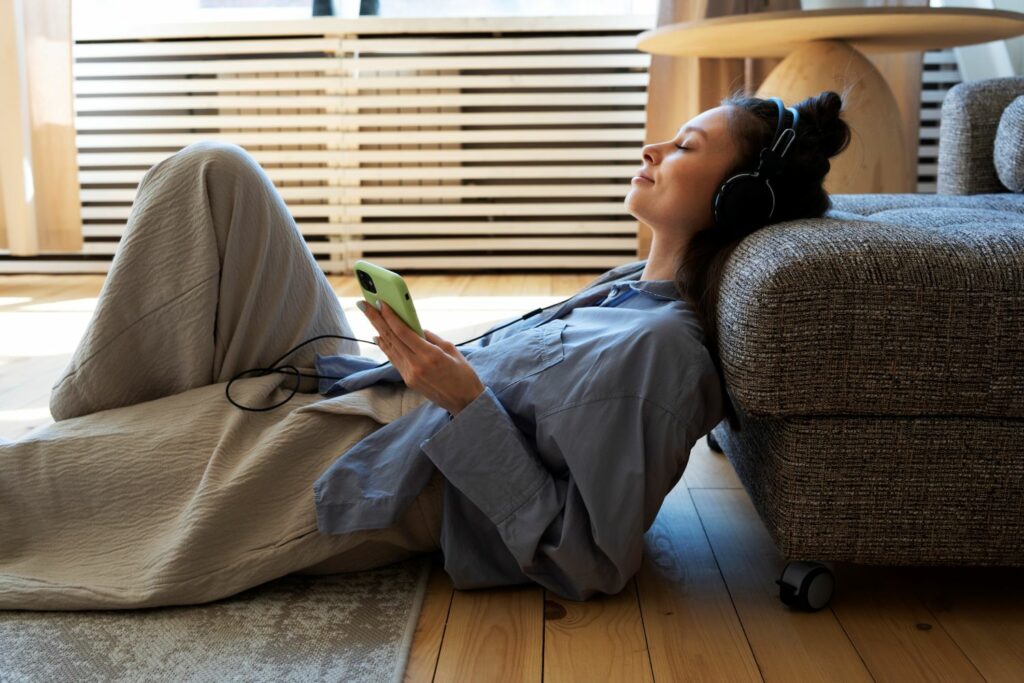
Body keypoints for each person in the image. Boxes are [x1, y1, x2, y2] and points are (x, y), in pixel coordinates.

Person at [0, 90, 850, 610]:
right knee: (213, 174)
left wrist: (461, 397)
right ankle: (104, 414)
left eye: (686, 148)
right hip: (360, 385)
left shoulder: (664, 355)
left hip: (368, 460)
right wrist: (444, 366)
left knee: (39, 489)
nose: (652, 149)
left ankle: (99, 431)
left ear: (734, 198)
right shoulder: (631, 285)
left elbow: (587, 559)